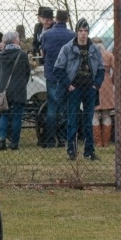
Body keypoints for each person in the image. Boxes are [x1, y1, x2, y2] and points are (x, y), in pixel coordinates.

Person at [54, 18, 105, 161]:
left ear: (88, 32)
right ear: (76, 32)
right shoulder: (67, 48)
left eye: (86, 31)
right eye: (80, 31)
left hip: (90, 88)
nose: (83, 34)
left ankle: (89, 152)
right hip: (74, 89)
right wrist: (68, 85)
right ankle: (72, 150)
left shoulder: (94, 49)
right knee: (72, 120)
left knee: (88, 121)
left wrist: (96, 84)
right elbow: (58, 69)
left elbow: (101, 69)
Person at [40, 9, 75, 148]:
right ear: (67, 19)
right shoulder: (72, 35)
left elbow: (44, 52)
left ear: (56, 18)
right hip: (66, 75)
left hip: (51, 73)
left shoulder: (47, 34)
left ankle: (49, 140)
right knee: (65, 107)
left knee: (52, 107)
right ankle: (62, 138)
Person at [0, 31, 30, 151]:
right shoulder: (22, 55)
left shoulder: (1, 55)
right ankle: (14, 143)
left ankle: (1, 139)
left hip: (3, 89)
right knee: (17, 117)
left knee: (4, 115)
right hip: (19, 89)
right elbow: (27, 72)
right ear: (15, 40)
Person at [92, 37, 114, 148]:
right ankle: (106, 142)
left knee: (94, 114)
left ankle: (98, 143)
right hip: (106, 83)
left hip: (94, 83)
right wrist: (112, 80)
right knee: (106, 114)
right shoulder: (109, 55)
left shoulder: (90, 55)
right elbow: (116, 70)